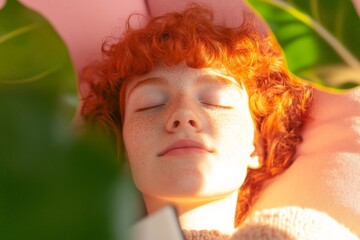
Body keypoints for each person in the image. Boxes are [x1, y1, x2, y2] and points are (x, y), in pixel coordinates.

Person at [80, 4, 358, 239]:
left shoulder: (299, 232)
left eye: (215, 101)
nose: (183, 115)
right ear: (122, 152)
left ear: (256, 147)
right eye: (150, 104)